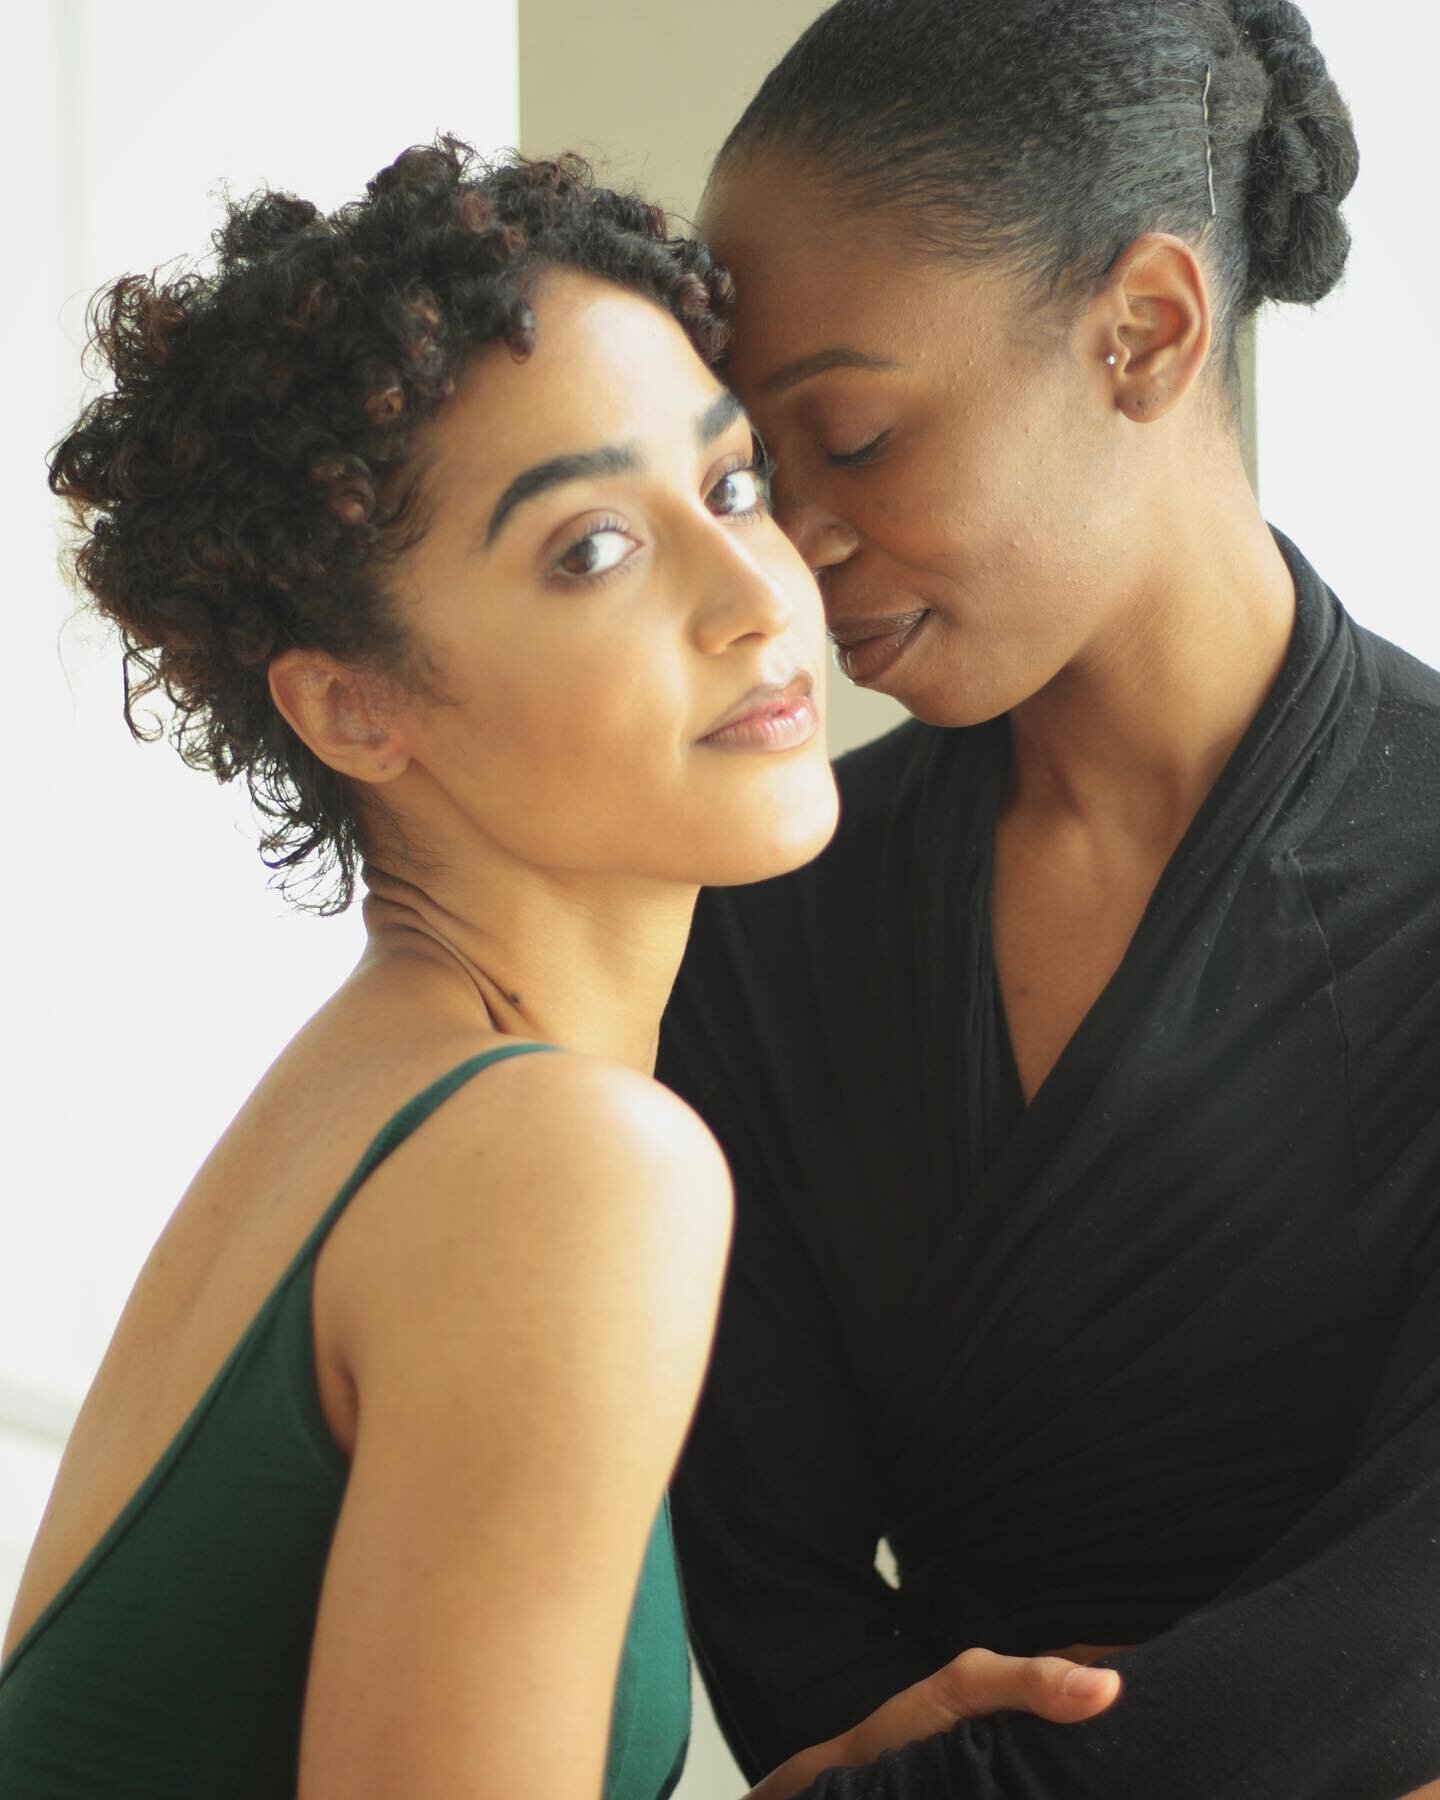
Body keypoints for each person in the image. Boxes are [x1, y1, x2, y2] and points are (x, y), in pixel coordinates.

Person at [0, 140, 1119, 1799]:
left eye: (730, 486)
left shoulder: (402, 1100)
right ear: (353, 707)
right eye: (591, 548)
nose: (758, 594)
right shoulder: (565, 1165)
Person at [658, 1, 1440, 1795]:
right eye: (754, 471)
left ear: (1144, 332)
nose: (795, 544)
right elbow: (770, 1603)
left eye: (847, 440)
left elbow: (1400, 1643)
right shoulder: (761, 917)